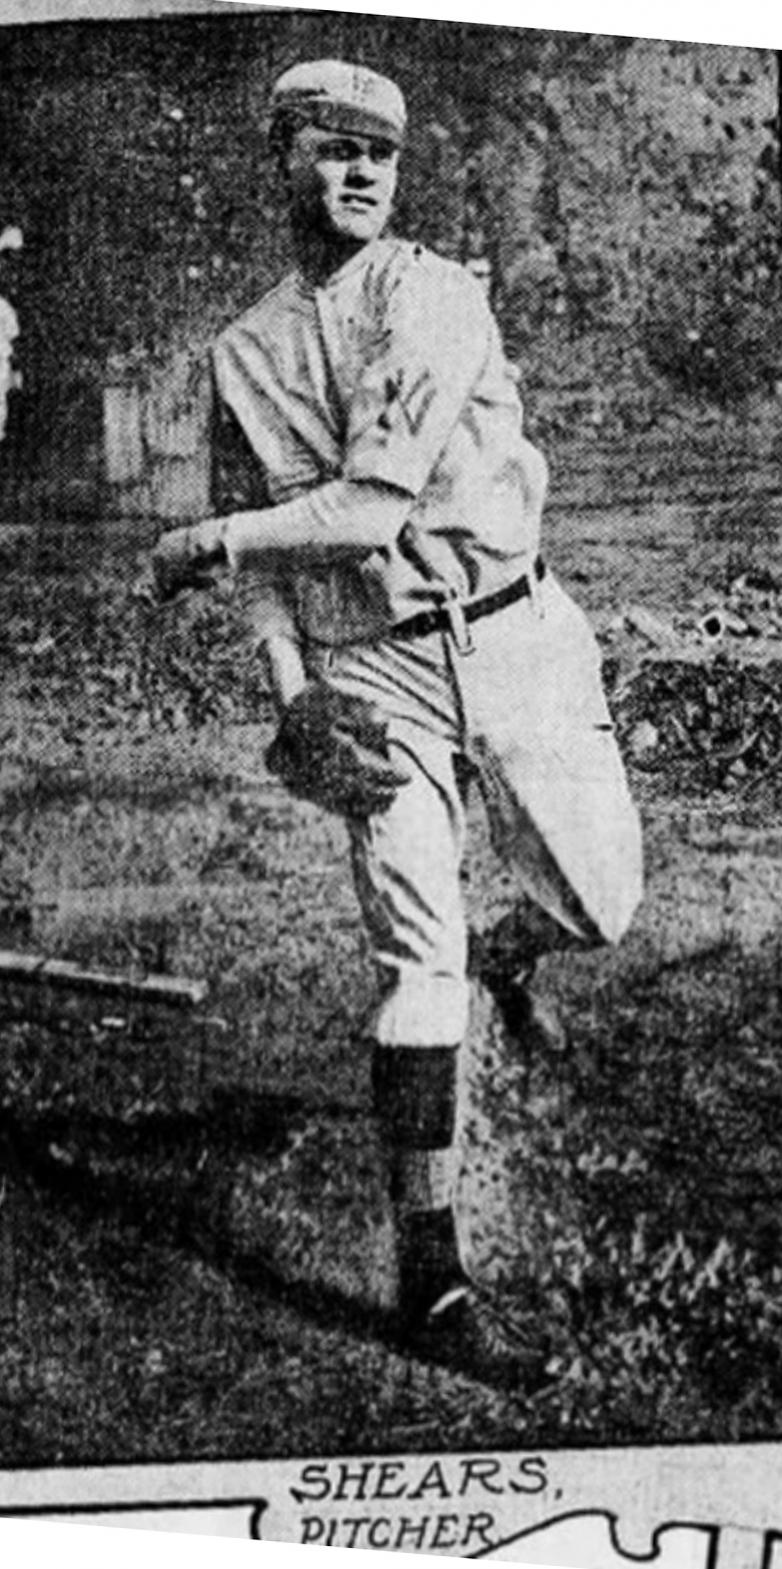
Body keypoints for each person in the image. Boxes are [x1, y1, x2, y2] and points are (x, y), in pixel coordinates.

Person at [148, 60, 643, 1348]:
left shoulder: (433, 296)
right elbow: (272, 572)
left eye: (383, 152)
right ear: (280, 158)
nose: (364, 170)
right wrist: (293, 694)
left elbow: (367, 507)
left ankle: (507, 952)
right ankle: (435, 1281)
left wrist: (209, 542)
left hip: (513, 632)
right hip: (373, 670)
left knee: (600, 904)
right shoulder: (240, 352)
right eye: (334, 146)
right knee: (415, 976)